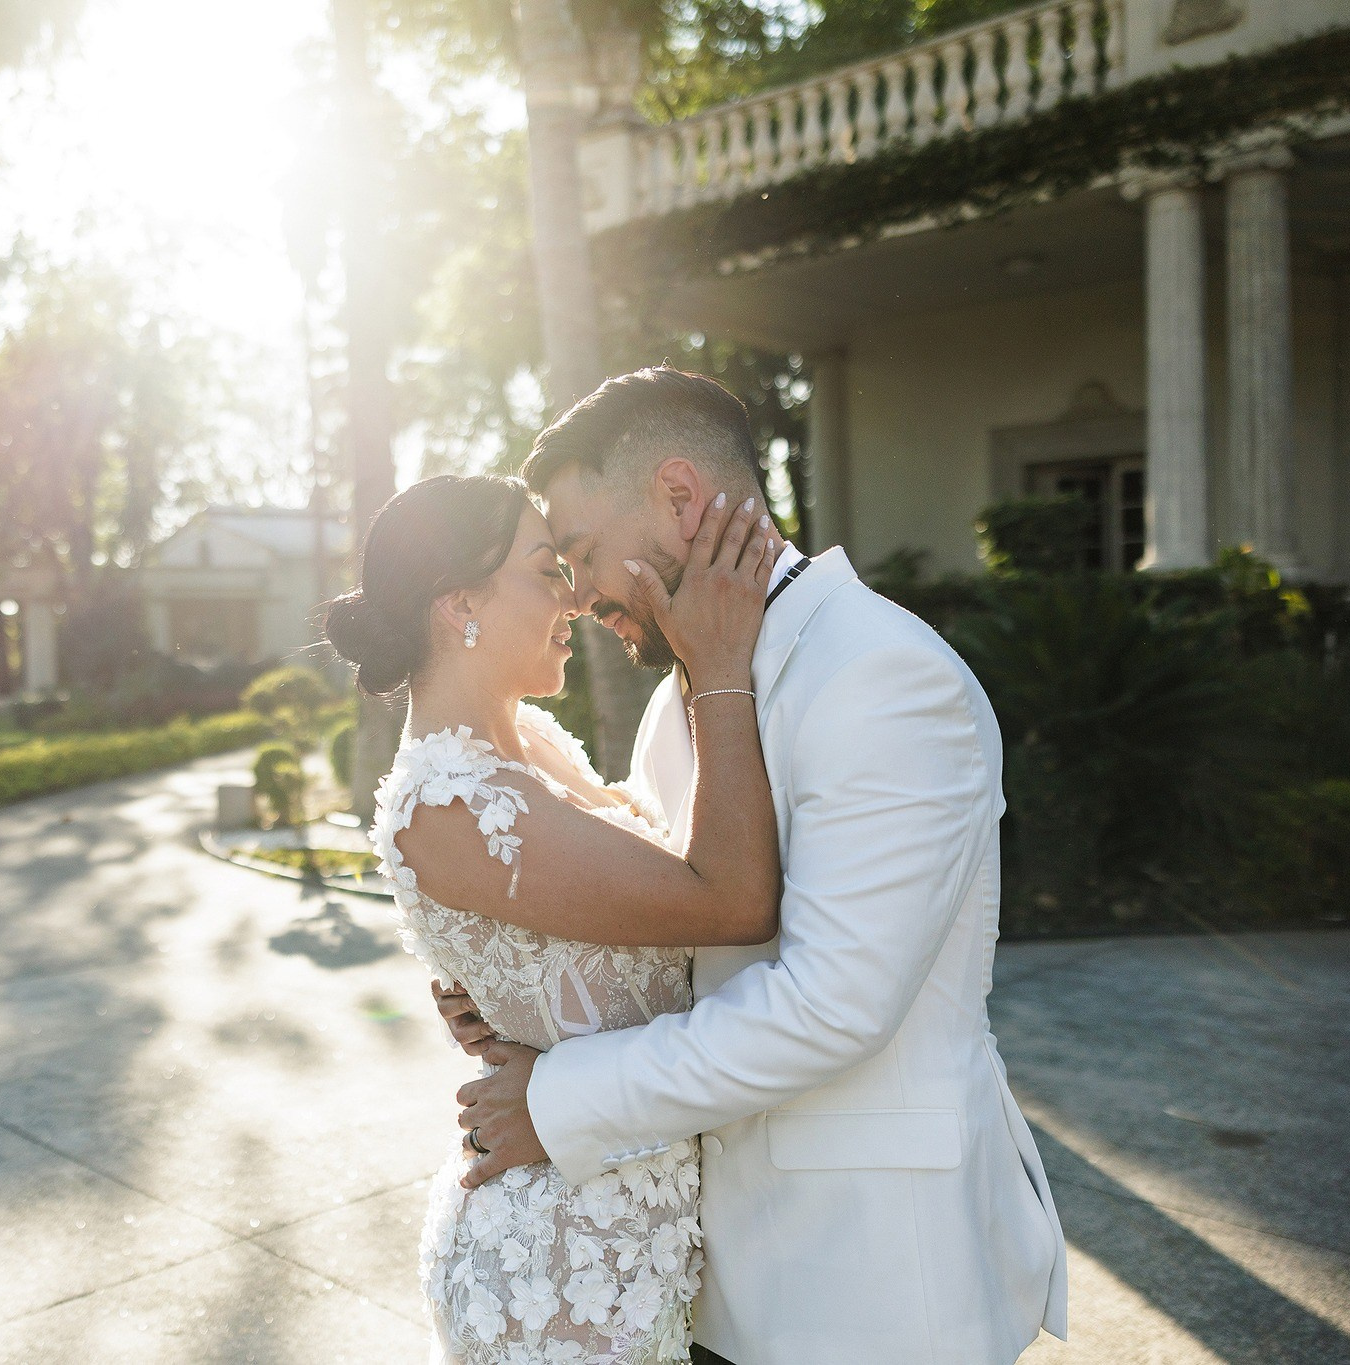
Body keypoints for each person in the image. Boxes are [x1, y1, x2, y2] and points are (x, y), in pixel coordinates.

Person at [436, 367, 1067, 1365]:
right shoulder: (680, 693)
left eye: (585, 554)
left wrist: (558, 1101)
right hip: (710, 1269)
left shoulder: (880, 675)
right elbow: (669, 927)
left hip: (866, 1284)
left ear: (680, 499)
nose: (582, 593)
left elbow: (833, 1004)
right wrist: (524, 991)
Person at [323, 470, 787, 1363]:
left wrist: (506, 995)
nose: (573, 599)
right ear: (461, 603)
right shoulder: (449, 802)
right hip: (563, 1267)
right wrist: (719, 665)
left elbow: (575, 930)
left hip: (629, 1224)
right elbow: (728, 898)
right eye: (547, 570)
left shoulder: (529, 742)